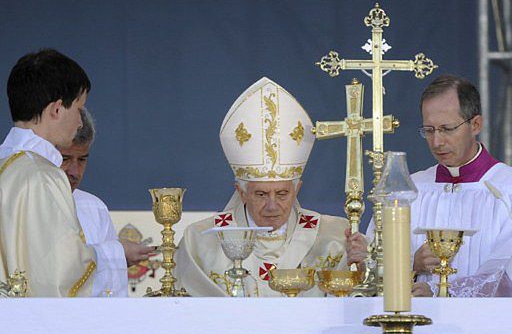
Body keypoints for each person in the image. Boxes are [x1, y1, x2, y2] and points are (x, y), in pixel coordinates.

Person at [174, 77, 366, 297]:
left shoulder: (334, 237)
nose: (272, 206)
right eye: (261, 194)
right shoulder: (199, 241)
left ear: (297, 189)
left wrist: (361, 268)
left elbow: (355, 303)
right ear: (241, 192)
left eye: (282, 193)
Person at [1, 49, 107, 296]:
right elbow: (60, 275)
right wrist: (112, 254)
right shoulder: (42, 176)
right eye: (79, 109)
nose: (81, 123)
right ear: (57, 109)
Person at [409, 74, 512, 296]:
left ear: (475, 124)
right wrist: (411, 264)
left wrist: (440, 292)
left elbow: (504, 277)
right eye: (429, 130)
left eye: (447, 128)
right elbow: (377, 267)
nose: (437, 142)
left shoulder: (507, 189)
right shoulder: (411, 190)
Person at [58, 108, 155, 297]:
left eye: (82, 159)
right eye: (65, 159)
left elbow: (113, 297)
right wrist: (115, 253)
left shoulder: (94, 208)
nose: (75, 172)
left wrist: (116, 256)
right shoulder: (25, 202)